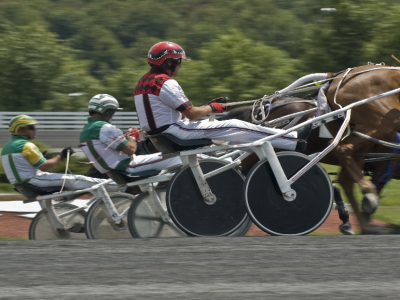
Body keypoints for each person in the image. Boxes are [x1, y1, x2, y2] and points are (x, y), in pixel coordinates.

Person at [134, 41, 311, 150]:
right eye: (178, 62)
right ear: (169, 61)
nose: (180, 65)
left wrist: (208, 107)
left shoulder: (142, 83)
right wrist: (212, 108)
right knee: (236, 125)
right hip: (176, 132)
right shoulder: (165, 83)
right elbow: (192, 114)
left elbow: (178, 111)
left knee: (227, 130)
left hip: (164, 135)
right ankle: (294, 140)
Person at [1, 115, 121, 192]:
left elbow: (23, 167)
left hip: (23, 184)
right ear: (21, 130)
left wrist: (43, 158)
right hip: (34, 181)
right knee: (77, 179)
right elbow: (46, 166)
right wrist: (61, 155)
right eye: (31, 127)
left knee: (75, 180)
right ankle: (122, 186)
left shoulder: (7, 147)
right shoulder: (26, 145)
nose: (35, 129)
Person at [79, 94, 182, 175]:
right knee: (179, 157)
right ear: (108, 111)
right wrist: (131, 138)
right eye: (113, 111)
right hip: (129, 166)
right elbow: (131, 150)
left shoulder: (86, 129)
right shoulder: (105, 127)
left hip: (113, 170)